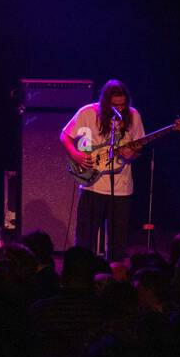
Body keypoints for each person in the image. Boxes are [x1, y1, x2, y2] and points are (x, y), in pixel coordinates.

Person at [60, 79, 144, 262]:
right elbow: (65, 135)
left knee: (118, 241)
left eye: (123, 105)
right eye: (115, 105)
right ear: (106, 102)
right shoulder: (88, 113)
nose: (120, 109)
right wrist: (76, 154)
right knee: (85, 238)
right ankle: (82, 274)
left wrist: (133, 154)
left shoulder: (133, 116)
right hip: (92, 187)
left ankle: (113, 278)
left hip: (122, 188)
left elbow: (138, 148)